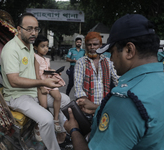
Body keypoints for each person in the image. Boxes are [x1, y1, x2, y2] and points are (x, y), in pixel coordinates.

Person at [64, 14, 164, 150]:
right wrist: (98, 107)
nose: (111, 59)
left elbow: (125, 108)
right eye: (89, 45)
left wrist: (74, 130)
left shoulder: (125, 101)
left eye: (112, 52)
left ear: (129, 50)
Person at [1, 12, 70, 150]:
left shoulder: (30, 45)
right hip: (17, 96)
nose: (34, 33)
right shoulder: (11, 49)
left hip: (33, 92)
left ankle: (61, 134)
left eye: (36, 29)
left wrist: (51, 74)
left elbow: (35, 68)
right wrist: (43, 83)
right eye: (29, 29)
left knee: (66, 100)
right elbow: (14, 81)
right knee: (46, 119)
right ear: (19, 29)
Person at [74, 32, 118, 108]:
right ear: (86, 46)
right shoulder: (81, 62)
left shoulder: (108, 62)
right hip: (86, 107)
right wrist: (86, 103)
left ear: (100, 45)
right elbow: (78, 87)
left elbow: (117, 80)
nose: (92, 47)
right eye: (89, 45)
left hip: (105, 105)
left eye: (95, 44)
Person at [34, 35, 65, 133]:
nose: (45, 49)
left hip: (50, 81)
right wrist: (41, 87)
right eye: (42, 46)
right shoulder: (36, 58)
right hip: (42, 83)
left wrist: (55, 72)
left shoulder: (46, 59)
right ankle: (37, 126)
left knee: (58, 97)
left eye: (47, 46)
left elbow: (48, 70)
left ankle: (55, 120)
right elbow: (36, 75)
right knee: (43, 106)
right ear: (35, 47)